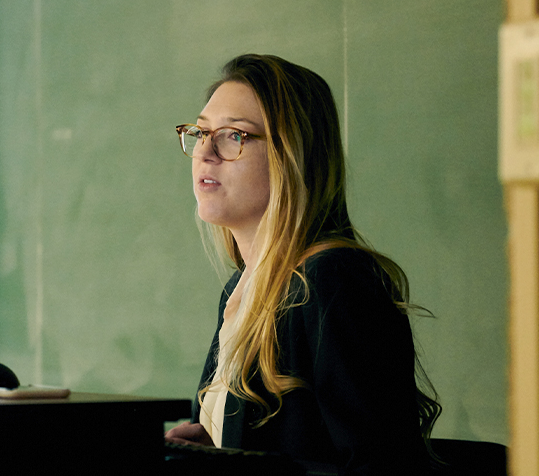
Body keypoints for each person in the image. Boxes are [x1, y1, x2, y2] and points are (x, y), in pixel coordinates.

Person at [164, 54, 441, 474]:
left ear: (293, 154)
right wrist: (217, 446)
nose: (205, 152)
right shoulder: (241, 289)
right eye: (201, 132)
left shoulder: (332, 278)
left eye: (233, 136)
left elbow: (380, 464)